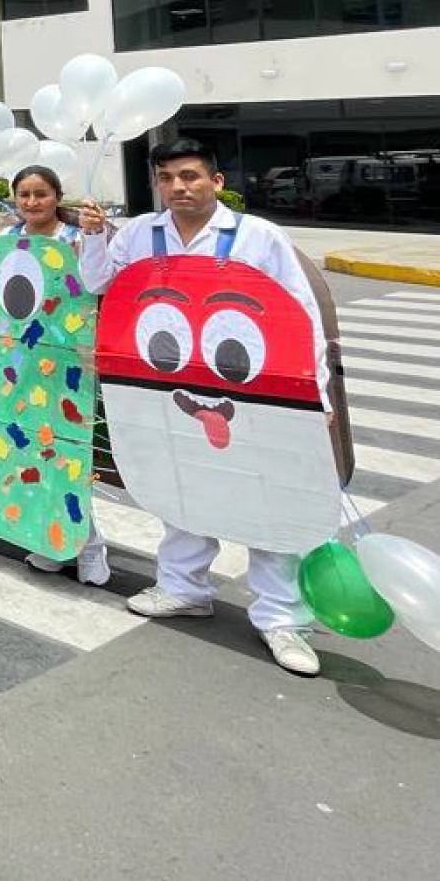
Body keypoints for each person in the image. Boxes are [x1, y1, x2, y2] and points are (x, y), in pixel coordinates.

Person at [79, 138, 327, 676]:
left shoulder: (258, 238)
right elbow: (100, 283)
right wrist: (95, 238)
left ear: (216, 182)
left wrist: (319, 397)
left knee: (266, 501)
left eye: (190, 176)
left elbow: (300, 318)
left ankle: (281, 617)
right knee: (180, 488)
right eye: (166, 178)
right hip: (168, 390)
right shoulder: (142, 233)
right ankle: (182, 587)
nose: (178, 187)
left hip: (252, 392)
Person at [0, 164, 110, 584]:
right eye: (23, 195)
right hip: (22, 362)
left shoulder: (76, 238)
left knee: (70, 454)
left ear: (57, 196)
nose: (31, 202)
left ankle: (91, 548)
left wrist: (96, 238)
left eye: (40, 194)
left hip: (69, 362)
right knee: (33, 453)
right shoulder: (7, 240)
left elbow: (96, 285)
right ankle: (51, 539)